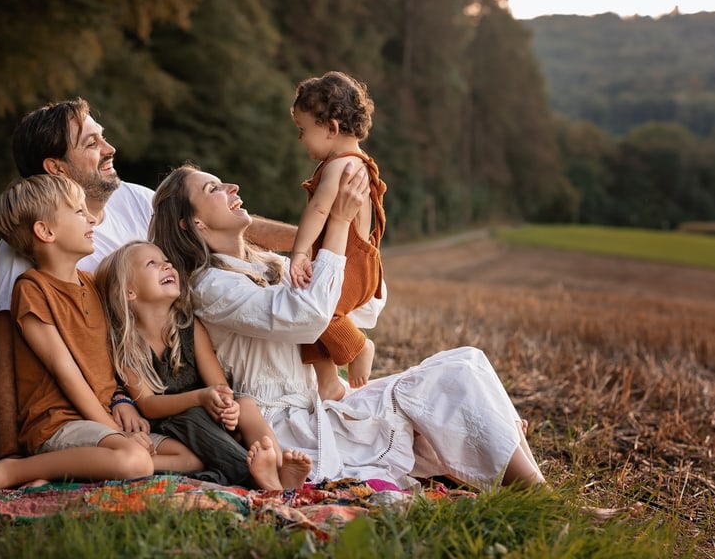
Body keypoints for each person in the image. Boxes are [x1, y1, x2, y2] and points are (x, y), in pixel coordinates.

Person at [149, 162, 548, 492]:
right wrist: (334, 224)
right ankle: (542, 500)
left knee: (468, 362)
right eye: (214, 188)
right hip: (286, 429)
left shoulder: (270, 264)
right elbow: (308, 317)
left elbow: (364, 307)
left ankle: (539, 495)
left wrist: (357, 222)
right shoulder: (210, 285)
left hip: (323, 404)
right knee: (455, 379)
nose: (233, 186)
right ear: (193, 223)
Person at [0, 98, 297, 458]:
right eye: (91, 144)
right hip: (132, 392)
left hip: (187, 364)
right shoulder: (24, 252)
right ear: (56, 167)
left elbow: (217, 219)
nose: (110, 149)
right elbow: (4, 352)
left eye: (102, 137)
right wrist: (7, 453)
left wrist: (310, 240)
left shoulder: (133, 200)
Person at [0, 174, 201, 492]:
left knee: (191, 456)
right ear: (45, 231)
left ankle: (72, 468)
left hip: (101, 419)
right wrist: (118, 435)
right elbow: (66, 373)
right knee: (133, 460)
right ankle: (14, 470)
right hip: (59, 422)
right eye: (79, 212)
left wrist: (121, 401)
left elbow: (105, 360)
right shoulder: (32, 289)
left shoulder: (92, 285)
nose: (91, 218)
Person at [95, 240, 312, 490]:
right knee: (192, 417)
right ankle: (256, 476)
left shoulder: (189, 327)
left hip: (208, 409)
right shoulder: (127, 345)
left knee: (246, 405)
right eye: (152, 263)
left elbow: (218, 384)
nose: (167, 265)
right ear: (128, 292)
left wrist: (226, 406)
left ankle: (278, 471)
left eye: (166, 260)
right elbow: (149, 404)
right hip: (172, 421)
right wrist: (200, 398)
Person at [288, 71, 386, 401]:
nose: (301, 140)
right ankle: (328, 382)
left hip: (352, 264)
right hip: (345, 259)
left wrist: (299, 253)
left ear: (330, 128)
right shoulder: (352, 162)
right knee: (309, 318)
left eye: (303, 131)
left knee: (319, 310)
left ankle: (359, 347)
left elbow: (317, 211)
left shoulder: (341, 166)